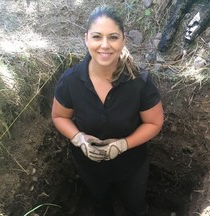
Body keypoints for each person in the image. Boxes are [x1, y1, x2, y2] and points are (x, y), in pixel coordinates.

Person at [51, 5, 164, 216]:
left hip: (132, 165)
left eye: (113, 37)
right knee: (100, 205)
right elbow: (59, 116)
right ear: (86, 39)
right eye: (97, 37)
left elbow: (154, 122)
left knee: (136, 207)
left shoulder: (140, 81)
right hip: (89, 166)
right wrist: (78, 139)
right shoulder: (70, 81)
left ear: (123, 41)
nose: (105, 45)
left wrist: (123, 145)